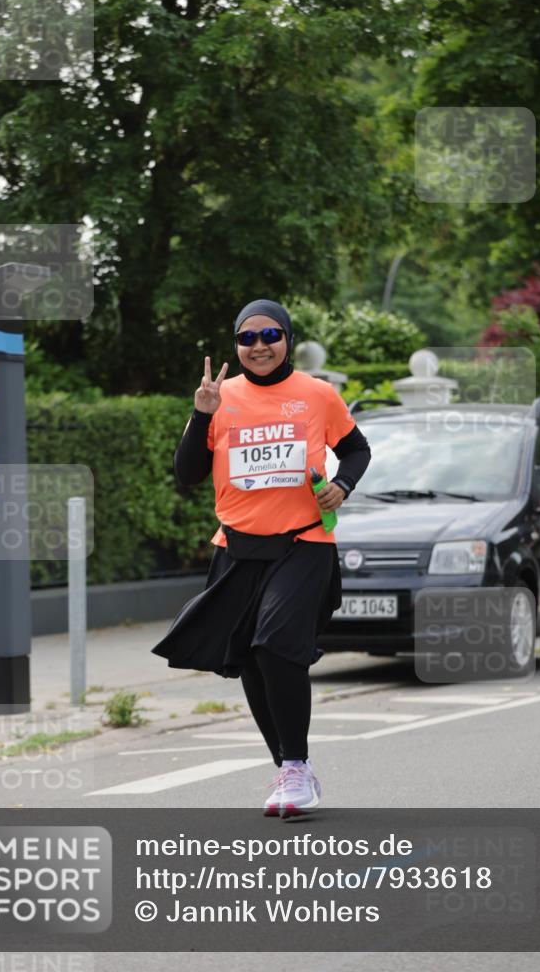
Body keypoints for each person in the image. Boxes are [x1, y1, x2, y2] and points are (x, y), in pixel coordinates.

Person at [151, 299, 371, 817]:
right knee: (248, 655)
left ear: (287, 338)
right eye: (246, 338)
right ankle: (291, 769)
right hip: (237, 547)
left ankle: (295, 765)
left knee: (275, 644)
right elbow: (187, 474)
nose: (259, 346)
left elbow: (357, 449)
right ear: (235, 345)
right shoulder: (220, 397)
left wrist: (342, 484)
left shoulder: (317, 395)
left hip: (304, 541)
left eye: (270, 334)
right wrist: (199, 414)